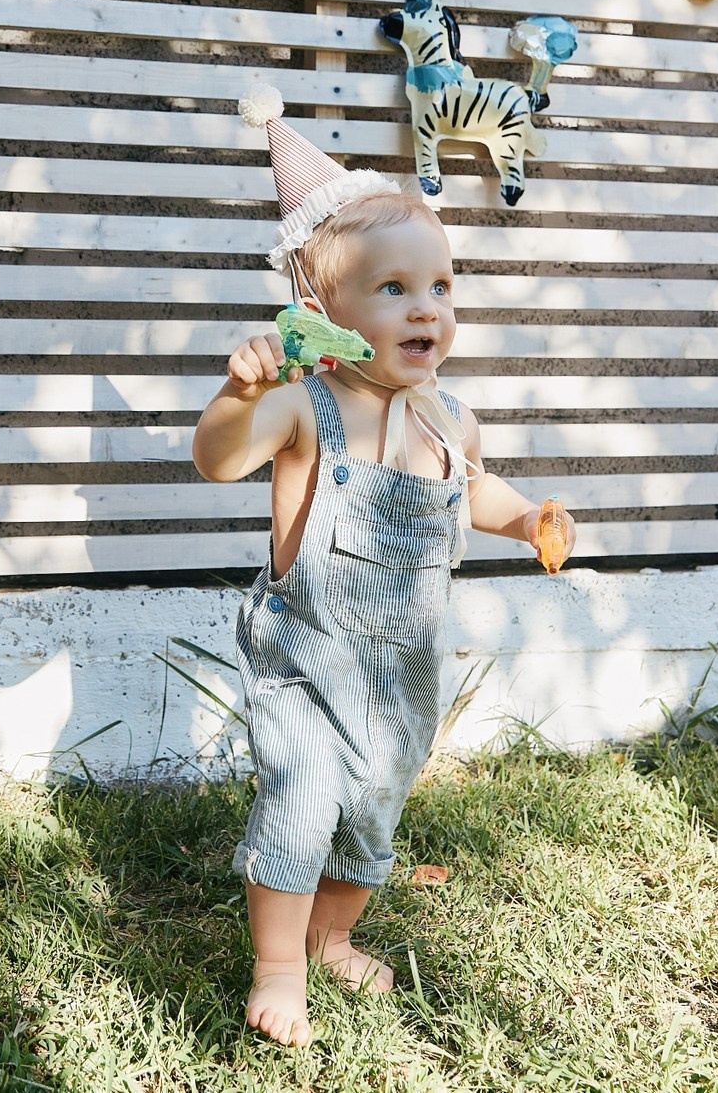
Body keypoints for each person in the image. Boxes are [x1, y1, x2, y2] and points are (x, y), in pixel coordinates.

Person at [191, 87, 575, 1048]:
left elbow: (470, 493)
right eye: (395, 289)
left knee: (370, 830)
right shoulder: (301, 405)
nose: (426, 309)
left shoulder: (447, 418)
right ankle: (278, 965)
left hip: (402, 675)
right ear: (319, 310)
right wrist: (240, 395)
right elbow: (216, 458)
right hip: (306, 662)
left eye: (440, 287)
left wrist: (525, 518)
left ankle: (329, 936)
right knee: (299, 804)